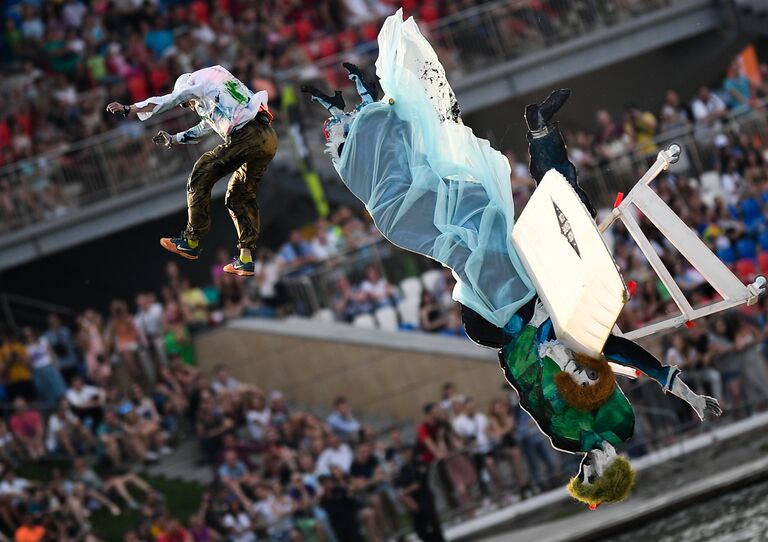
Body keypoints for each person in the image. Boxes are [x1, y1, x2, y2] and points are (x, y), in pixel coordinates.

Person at [305, 10, 723, 507]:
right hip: (548, 306)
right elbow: (611, 347)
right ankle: (540, 131)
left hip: (505, 318)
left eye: (583, 475)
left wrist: (536, 343)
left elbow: (534, 381)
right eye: (595, 474)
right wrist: (682, 390)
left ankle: (367, 128)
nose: (587, 465)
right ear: (612, 469)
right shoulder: (619, 422)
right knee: (567, 219)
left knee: (427, 222)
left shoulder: (566, 438)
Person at [106, 65, 277, 276]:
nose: (190, 107)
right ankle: (245, 258)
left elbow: (169, 99)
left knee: (200, 174)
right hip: (268, 138)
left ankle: (191, 240)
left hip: (247, 136)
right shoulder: (217, 92)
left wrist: (130, 108)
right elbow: (202, 128)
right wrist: (173, 139)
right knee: (238, 196)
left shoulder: (198, 83)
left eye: (188, 103)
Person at [396, 445, 444, 542]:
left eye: (407, 451)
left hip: (424, 497)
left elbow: (418, 484)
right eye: (403, 453)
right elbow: (400, 486)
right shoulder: (403, 470)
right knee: (419, 528)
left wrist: (405, 492)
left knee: (433, 523)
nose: (406, 455)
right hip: (413, 500)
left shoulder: (419, 464)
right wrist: (406, 495)